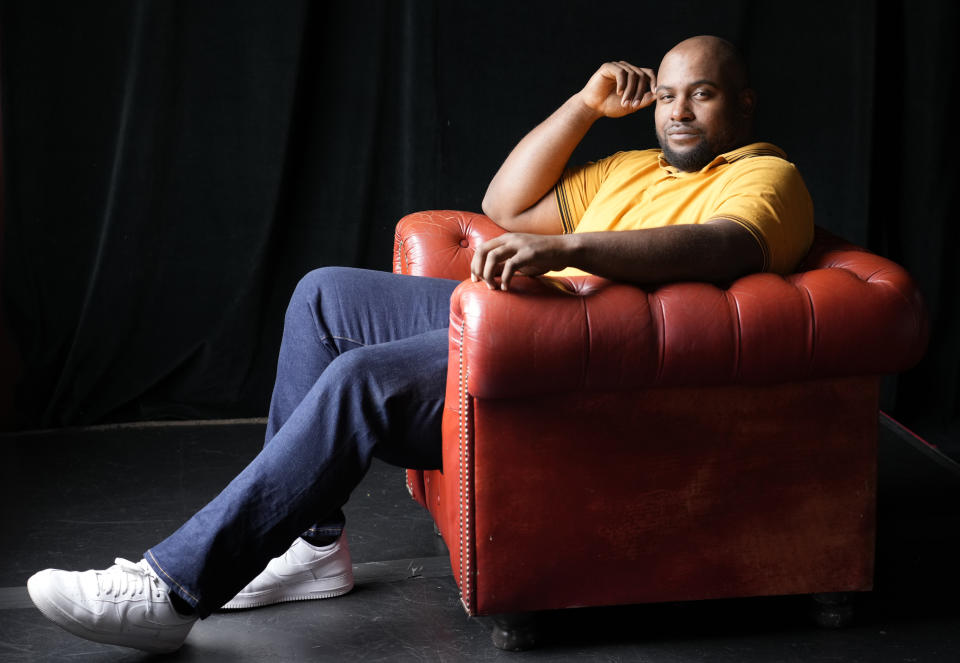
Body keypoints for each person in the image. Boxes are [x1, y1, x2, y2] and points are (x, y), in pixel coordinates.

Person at [26, 35, 813, 653]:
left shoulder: (765, 176)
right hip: (529, 322)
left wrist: (569, 249)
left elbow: (721, 247)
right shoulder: (634, 166)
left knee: (363, 378)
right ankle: (309, 546)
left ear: (742, 104)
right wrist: (584, 104)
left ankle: (172, 591)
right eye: (667, 95)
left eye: (700, 95)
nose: (677, 111)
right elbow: (504, 202)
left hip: (579, 358)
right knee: (324, 294)